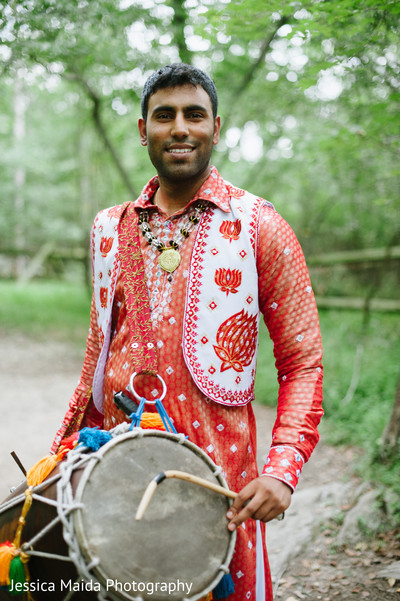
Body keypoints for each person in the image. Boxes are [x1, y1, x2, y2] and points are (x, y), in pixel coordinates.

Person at [52, 63, 323, 601]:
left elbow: (304, 363)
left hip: (223, 490)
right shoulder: (109, 229)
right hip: (120, 480)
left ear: (215, 128)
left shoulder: (258, 225)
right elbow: (97, 360)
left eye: (194, 115)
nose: (180, 128)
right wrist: (63, 454)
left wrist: (282, 470)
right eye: (164, 116)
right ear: (142, 129)